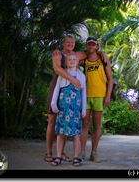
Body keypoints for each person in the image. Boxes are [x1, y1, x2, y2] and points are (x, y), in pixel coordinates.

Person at [44, 35, 108, 163]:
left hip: (73, 95)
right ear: (63, 43)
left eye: (72, 42)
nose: (70, 44)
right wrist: (72, 79)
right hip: (58, 86)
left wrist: (102, 52)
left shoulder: (77, 55)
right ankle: (49, 152)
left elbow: (91, 52)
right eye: (67, 42)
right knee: (52, 121)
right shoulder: (58, 54)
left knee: (68, 123)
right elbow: (57, 68)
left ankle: (63, 153)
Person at [79, 37, 113, 163]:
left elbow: (110, 78)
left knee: (96, 125)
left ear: (97, 46)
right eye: (89, 45)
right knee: (84, 124)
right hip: (86, 96)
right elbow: (73, 57)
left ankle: (94, 152)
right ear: (87, 46)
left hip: (99, 96)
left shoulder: (103, 60)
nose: (91, 46)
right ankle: (82, 152)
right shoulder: (84, 61)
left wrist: (108, 95)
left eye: (93, 45)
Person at [50, 53, 86, 167]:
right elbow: (57, 89)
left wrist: (83, 108)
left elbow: (84, 92)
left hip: (75, 109)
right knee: (61, 133)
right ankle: (59, 156)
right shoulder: (62, 75)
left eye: (74, 59)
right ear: (65, 62)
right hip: (63, 108)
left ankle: (76, 157)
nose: (71, 60)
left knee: (76, 133)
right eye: (69, 59)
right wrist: (53, 103)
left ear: (78, 62)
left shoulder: (81, 76)